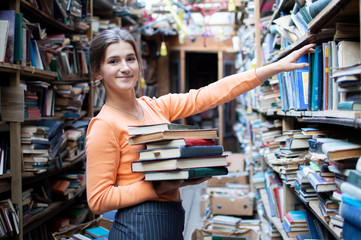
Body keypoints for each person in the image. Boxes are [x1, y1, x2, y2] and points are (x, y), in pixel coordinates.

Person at [86, 26, 315, 240]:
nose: (125, 67)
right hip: (138, 226)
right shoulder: (104, 124)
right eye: (113, 61)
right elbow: (98, 200)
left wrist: (273, 68)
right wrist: (157, 187)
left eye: (130, 59)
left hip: (170, 218)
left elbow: (210, 94)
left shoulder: (153, 106)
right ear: (98, 72)